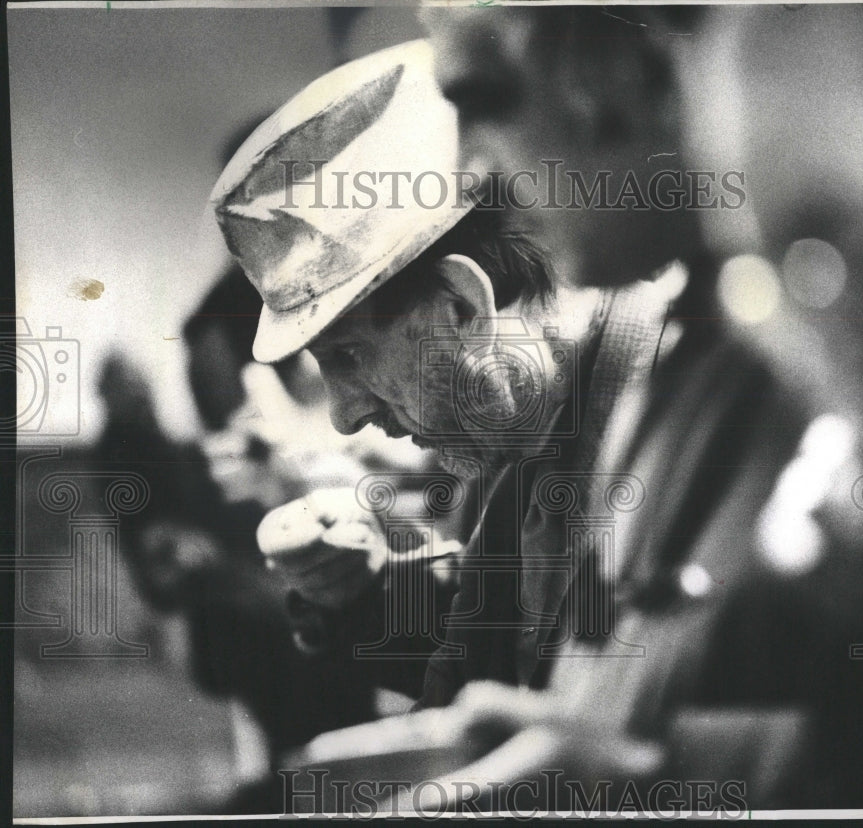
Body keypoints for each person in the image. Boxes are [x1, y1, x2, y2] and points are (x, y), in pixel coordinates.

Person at [416, 3, 863, 811]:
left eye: (835, 250)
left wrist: (642, 781)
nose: (809, 342)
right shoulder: (659, 343)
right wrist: (623, 772)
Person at [210, 39, 691, 718]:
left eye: (348, 356)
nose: (343, 417)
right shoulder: (515, 425)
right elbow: (498, 646)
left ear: (464, 306)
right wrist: (363, 589)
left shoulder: (678, 399)